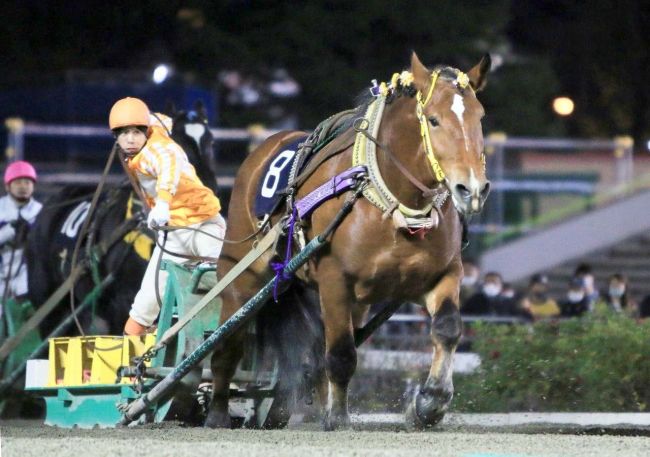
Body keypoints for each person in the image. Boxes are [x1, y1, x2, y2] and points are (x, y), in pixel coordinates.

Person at [108, 97, 226, 336]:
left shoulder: (157, 150)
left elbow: (168, 163)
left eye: (135, 132)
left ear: (146, 131)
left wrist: (162, 203)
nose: (130, 139)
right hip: (172, 236)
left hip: (205, 227)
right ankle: (131, 370)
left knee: (226, 293)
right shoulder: (156, 126)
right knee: (141, 313)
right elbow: (162, 121)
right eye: (123, 133)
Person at [0, 161, 42, 306]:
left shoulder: (41, 211)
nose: (23, 186)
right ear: (7, 186)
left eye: (27, 182)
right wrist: (9, 232)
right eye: (18, 182)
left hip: (26, 275)